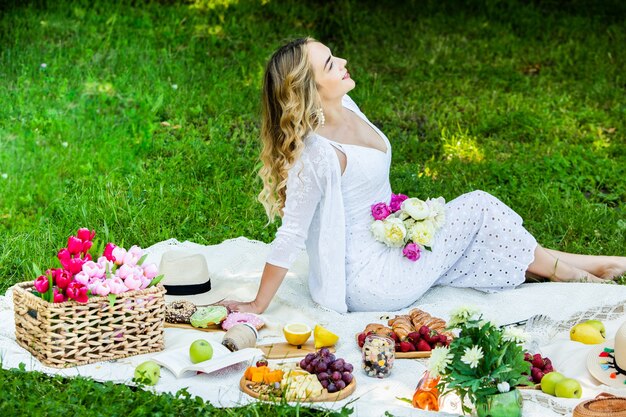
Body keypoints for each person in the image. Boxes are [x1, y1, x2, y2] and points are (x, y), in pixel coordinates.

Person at [221, 37, 626, 314]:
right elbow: (291, 235)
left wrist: (405, 221)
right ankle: (571, 274)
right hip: (371, 280)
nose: (342, 62)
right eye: (330, 63)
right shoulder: (318, 156)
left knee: (480, 239)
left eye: (334, 55)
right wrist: (257, 305)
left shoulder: (347, 105)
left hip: (391, 241)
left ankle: (593, 265)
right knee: (480, 207)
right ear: (309, 88)